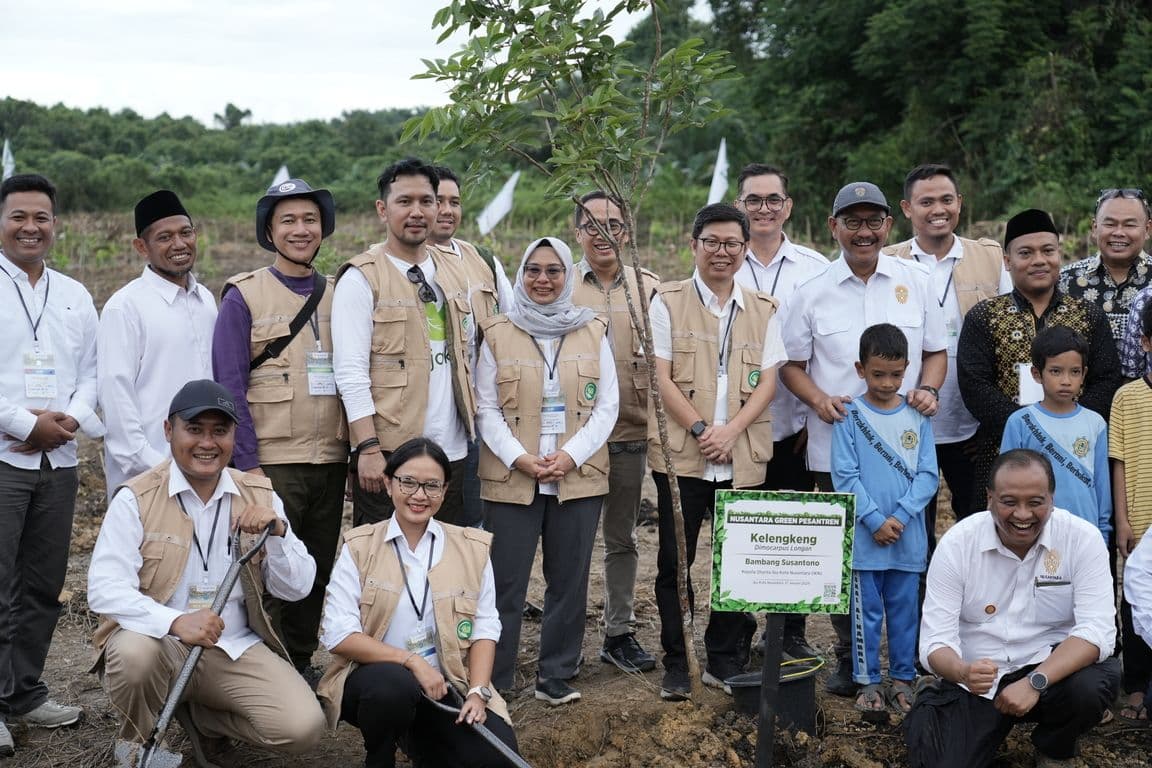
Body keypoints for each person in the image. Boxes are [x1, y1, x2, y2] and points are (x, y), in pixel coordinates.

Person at [87, 379, 325, 763]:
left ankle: (203, 720)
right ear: (169, 430)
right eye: (194, 429)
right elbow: (104, 589)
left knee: (303, 728)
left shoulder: (260, 494)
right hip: (160, 643)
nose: (207, 443)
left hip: (232, 647)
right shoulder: (137, 497)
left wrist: (278, 534)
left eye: (220, 431)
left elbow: (296, 589)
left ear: (234, 435)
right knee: (133, 655)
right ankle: (140, 744)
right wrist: (175, 621)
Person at [780, 181, 947, 697]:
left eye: (873, 221)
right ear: (834, 227)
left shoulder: (916, 281)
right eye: (852, 221)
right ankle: (851, 661)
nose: (864, 232)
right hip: (840, 453)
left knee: (902, 565)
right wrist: (817, 401)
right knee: (847, 564)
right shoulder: (810, 291)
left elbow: (937, 353)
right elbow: (790, 364)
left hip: (904, 455)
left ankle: (905, 665)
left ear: (888, 226)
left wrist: (927, 390)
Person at [212, 178, 348, 684]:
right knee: (264, 573)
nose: (300, 229)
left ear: (323, 228)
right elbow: (229, 386)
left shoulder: (340, 293)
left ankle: (300, 661)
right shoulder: (243, 296)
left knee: (314, 567)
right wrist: (247, 467)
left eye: (309, 219)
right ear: (269, 231)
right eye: (287, 220)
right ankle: (259, 670)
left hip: (331, 458)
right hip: (271, 460)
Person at [906, 449, 1120, 768]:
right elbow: (935, 642)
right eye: (1009, 502)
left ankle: (1055, 747)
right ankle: (937, 695)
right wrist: (961, 671)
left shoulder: (1082, 539)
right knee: (939, 759)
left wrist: (1036, 680)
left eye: (1035, 502)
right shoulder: (957, 544)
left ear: (1051, 498)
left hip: (1049, 670)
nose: (1022, 515)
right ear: (990, 497)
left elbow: (1097, 632)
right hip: (978, 677)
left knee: (1093, 685)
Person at [648, 203, 784, 701]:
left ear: (746, 250)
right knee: (673, 560)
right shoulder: (666, 301)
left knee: (738, 563)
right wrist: (705, 428)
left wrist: (731, 432)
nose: (721, 252)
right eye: (712, 242)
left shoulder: (764, 310)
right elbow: (660, 377)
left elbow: (768, 384)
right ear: (694, 245)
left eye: (732, 243)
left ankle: (724, 656)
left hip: (741, 457)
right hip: (683, 455)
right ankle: (678, 660)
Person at [476, 236, 618, 705]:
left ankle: (555, 675)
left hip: (577, 477)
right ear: (521, 275)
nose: (542, 280)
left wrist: (569, 457)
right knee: (506, 582)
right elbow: (485, 408)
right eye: (533, 270)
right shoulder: (498, 331)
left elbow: (607, 408)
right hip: (512, 476)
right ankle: (496, 678)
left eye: (553, 271)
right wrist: (520, 458)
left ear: (568, 277)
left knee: (569, 580)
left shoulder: (594, 329)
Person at [317, 437, 519, 768]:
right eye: (407, 482)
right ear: (387, 482)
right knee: (392, 688)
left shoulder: (471, 549)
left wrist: (478, 691)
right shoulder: (359, 548)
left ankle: (424, 744)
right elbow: (338, 635)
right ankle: (380, 756)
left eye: (431, 486)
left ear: (445, 490)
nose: (419, 495)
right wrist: (411, 661)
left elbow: (484, 625)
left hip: (446, 686)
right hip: (376, 684)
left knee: (500, 760)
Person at [0, 173, 104, 756]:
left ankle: (25, 693)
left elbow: (91, 370)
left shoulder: (73, 293)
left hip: (59, 459)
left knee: (42, 583)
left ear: (55, 224)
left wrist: (67, 419)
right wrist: (23, 424)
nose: (31, 227)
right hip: (4, 455)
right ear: (1, 222)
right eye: (19, 216)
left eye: (41, 217)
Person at [333, 158, 478, 527]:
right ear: (383, 209)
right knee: (384, 566)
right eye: (405, 201)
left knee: (445, 566)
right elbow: (350, 373)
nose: (417, 212)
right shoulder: (362, 278)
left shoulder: (453, 270)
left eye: (427, 201)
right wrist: (366, 447)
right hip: (391, 451)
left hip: (453, 450)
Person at [957, 208, 1121, 506]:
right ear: (1007, 261)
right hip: (1004, 451)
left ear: (1060, 255)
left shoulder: (1088, 315)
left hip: (1078, 453)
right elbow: (975, 386)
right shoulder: (983, 317)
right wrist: (1029, 428)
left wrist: (1067, 425)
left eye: (1048, 250)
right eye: (1026, 253)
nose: (1039, 260)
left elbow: (1106, 379)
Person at [732, 163, 830, 661]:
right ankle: (738, 633)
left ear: (788, 207)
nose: (764, 208)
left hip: (794, 426)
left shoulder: (816, 268)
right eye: (754, 200)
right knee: (745, 531)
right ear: (740, 206)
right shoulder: (723, 260)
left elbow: (824, 353)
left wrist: (814, 417)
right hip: (737, 430)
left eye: (773, 199)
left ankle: (789, 631)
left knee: (792, 530)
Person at [885, 163, 1011, 525]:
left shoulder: (988, 256)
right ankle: (921, 583)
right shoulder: (889, 262)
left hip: (970, 422)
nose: (938, 210)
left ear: (960, 202)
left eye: (946, 200)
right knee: (911, 523)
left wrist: (993, 419)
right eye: (926, 202)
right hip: (906, 418)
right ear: (907, 208)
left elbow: (1010, 334)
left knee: (976, 519)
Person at [570, 190, 659, 674]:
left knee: (621, 538)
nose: (604, 233)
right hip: (576, 442)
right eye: (592, 224)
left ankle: (618, 632)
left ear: (626, 231)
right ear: (577, 231)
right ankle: (566, 639)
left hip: (629, 435)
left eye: (614, 224)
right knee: (574, 540)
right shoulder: (562, 289)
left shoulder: (649, 287)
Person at [832, 323, 938, 718]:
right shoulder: (849, 415)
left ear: (908, 368)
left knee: (906, 610)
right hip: (865, 540)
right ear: (861, 369)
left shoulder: (917, 416)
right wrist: (875, 519)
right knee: (866, 613)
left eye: (896, 374)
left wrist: (902, 515)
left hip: (908, 538)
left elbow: (928, 475)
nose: (887, 382)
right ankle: (868, 680)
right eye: (878, 374)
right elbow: (845, 476)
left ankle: (904, 679)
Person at [99, 190, 216, 496]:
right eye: (164, 237)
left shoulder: (205, 299)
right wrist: (160, 468)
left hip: (204, 467)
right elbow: (116, 397)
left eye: (185, 233)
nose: (179, 244)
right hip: (148, 477)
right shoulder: (124, 307)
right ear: (141, 247)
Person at [428, 165, 515, 528]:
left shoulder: (483, 260)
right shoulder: (400, 264)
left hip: (477, 417)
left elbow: (511, 326)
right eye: (437, 201)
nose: (447, 210)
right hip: (425, 418)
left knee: (471, 521)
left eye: (455, 202)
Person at [998, 327, 1110, 539]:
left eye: (1074, 372)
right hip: (1034, 533)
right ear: (1036, 374)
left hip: (1085, 533)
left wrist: (1102, 534)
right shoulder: (1020, 422)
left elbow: (1102, 486)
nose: (1066, 380)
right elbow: (1006, 482)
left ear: (1084, 373)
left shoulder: (1095, 423)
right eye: (1056, 371)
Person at [1110, 299, 1152, 720]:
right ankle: (1136, 685)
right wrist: (1122, 519)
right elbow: (1119, 460)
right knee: (1137, 600)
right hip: (1141, 519)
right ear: (1144, 342)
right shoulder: (1127, 397)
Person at [1060, 187, 1152, 347]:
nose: (1119, 232)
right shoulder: (1065, 280)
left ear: (1147, 229)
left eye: (1130, 225)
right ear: (1095, 228)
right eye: (1110, 224)